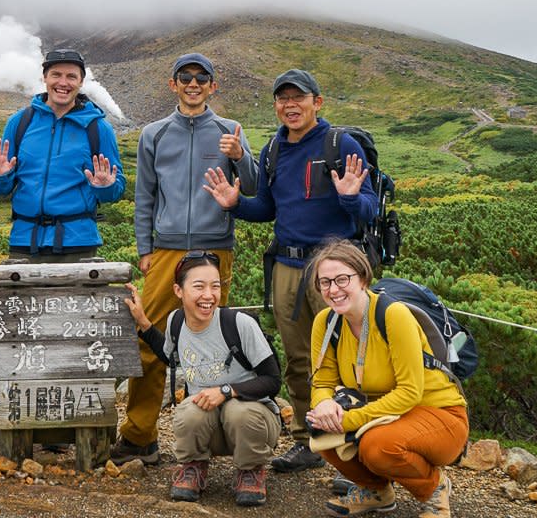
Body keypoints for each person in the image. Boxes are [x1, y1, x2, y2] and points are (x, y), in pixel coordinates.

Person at [204, 68, 377, 474]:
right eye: (283, 99)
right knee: (300, 359)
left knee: (355, 359)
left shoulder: (340, 143)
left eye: (298, 97)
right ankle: (310, 440)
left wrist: (351, 198)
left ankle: (359, 449)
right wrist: (236, 204)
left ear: (317, 102)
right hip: (287, 266)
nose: (290, 105)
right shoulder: (273, 150)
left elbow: (368, 209)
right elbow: (266, 208)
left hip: (336, 267)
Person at [0, 47, 125, 448]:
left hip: (78, 241)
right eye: (56, 74)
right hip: (25, 242)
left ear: (81, 81)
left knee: (77, 335)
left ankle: (70, 418)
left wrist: (107, 187)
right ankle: (9, 415)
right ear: (44, 78)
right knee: (17, 332)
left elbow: (118, 187)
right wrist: (0, 177)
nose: (63, 82)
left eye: (71, 76)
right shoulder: (20, 123)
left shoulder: (98, 128)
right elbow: (2, 187)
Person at [112, 52, 257, 466]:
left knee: (214, 344)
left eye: (201, 77)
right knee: (149, 337)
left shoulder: (231, 130)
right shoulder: (153, 135)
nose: (193, 84)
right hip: (166, 250)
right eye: (185, 77)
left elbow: (252, 186)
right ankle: (140, 435)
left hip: (216, 249)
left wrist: (240, 156)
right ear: (172, 84)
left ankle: (209, 442)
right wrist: (145, 249)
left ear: (214, 85)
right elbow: (145, 196)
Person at [306, 240, 467, 518]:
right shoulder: (325, 322)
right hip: (385, 415)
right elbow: (322, 382)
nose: (333, 289)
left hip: (440, 415)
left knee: (377, 446)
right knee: (322, 432)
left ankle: (434, 491)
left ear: (363, 278)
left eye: (342, 279)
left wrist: (349, 420)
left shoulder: (393, 315)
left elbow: (410, 392)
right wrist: (323, 406)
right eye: (325, 282)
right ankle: (375, 491)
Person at [124, 251, 282, 507]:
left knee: (238, 412)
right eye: (199, 286)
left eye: (215, 286)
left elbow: (273, 380)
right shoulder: (177, 322)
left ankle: (250, 469)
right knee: (190, 410)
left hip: (254, 424)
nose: (209, 295)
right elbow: (170, 357)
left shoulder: (239, 323)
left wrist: (227, 390)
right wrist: (142, 321)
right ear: (179, 290)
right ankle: (193, 466)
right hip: (211, 427)